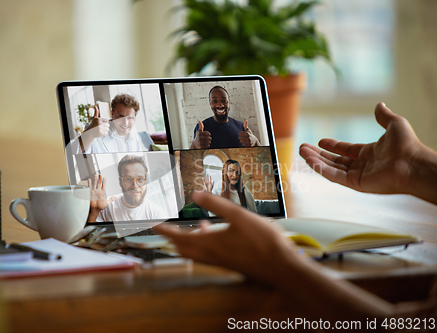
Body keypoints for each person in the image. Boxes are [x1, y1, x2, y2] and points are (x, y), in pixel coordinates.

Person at [155, 103, 437, 322]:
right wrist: (414, 166)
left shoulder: (248, 191)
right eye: (226, 170)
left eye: (233, 170)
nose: (229, 174)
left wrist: (279, 264)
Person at [87, 155, 168, 223]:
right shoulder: (105, 207)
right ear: (120, 182)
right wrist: (94, 211)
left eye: (140, 179)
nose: (135, 186)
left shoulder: (156, 213)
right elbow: (90, 237)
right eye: (128, 179)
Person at [76, 93, 152, 154]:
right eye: (121, 116)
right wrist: (90, 133)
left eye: (130, 118)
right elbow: (75, 154)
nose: (125, 123)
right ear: (112, 113)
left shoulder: (135, 136)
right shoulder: (95, 130)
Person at [190, 86, 260, 149]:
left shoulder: (241, 126)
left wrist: (255, 141)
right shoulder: (201, 128)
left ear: (229, 102)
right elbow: (191, 159)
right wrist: (194, 145)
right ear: (210, 103)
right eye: (215, 101)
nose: (220, 105)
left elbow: (262, 154)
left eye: (224, 101)